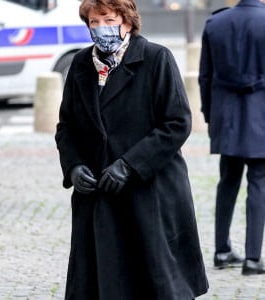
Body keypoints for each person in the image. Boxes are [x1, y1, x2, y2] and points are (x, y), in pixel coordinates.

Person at [55, 0, 209, 299]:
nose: (100, 29)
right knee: (102, 284)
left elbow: (177, 122)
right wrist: (73, 166)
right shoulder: (80, 65)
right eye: (93, 22)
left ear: (127, 21)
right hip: (98, 196)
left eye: (108, 19)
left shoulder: (156, 59)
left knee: (155, 282)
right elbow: (66, 127)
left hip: (149, 194)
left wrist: (130, 164)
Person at [198, 0, 265, 276]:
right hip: (261, 114)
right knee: (259, 182)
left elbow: (204, 76)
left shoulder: (215, 23)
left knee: (227, 180)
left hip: (226, 115)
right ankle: (252, 258)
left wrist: (210, 115)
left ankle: (222, 251)